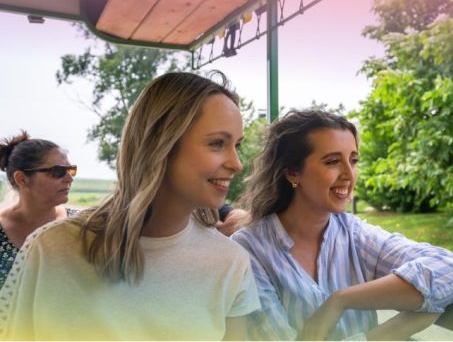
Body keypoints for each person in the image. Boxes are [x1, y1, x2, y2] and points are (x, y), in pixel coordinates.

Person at [0, 72, 259, 340]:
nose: (236, 163)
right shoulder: (52, 249)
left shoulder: (231, 263)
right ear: (161, 144)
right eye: (217, 143)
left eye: (236, 145)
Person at [232, 109, 453, 340]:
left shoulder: (354, 234)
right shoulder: (248, 250)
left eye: (354, 160)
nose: (349, 175)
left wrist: (340, 300)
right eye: (332, 162)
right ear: (293, 173)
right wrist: (392, 332)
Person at [0, 132, 77, 285]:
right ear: (22, 178)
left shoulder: (81, 225)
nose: (69, 178)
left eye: (71, 170)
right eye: (58, 171)